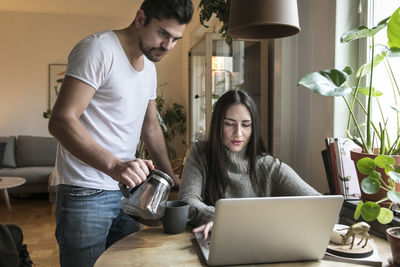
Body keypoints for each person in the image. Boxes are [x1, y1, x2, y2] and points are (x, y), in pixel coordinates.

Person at [48, 1, 194, 266]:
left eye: (175, 39)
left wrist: (171, 177)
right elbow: (60, 121)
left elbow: (150, 127)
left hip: (127, 192)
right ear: (140, 19)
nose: (168, 46)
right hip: (85, 192)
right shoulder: (98, 49)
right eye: (163, 33)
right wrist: (114, 165)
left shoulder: (149, 66)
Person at [178, 90, 320, 239]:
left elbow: (320, 206)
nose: (238, 133)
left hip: (259, 243)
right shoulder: (200, 153)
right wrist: (218, 219)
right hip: (211, 241)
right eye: (229, 124)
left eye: (246, 125)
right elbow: (187, 201)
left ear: (253, 128)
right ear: (218, 124)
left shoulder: (269, 167)